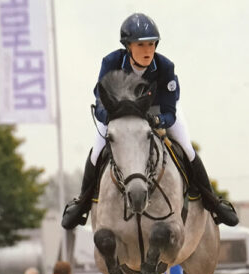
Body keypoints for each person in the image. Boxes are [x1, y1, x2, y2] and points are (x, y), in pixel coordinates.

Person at [61, 12, 238, 229]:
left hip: (157, 109)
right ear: (128, 46)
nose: (148, 51)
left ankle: (212, 202)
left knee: (187, 148)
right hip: (119, 113)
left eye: (152, 45)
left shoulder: (165, 67)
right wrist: (112, 115)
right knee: (97, 151)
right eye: (141, 45)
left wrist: (157, 120)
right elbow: (100, 102)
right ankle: (83, 203)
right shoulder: (111, 62)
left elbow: (170, 112)